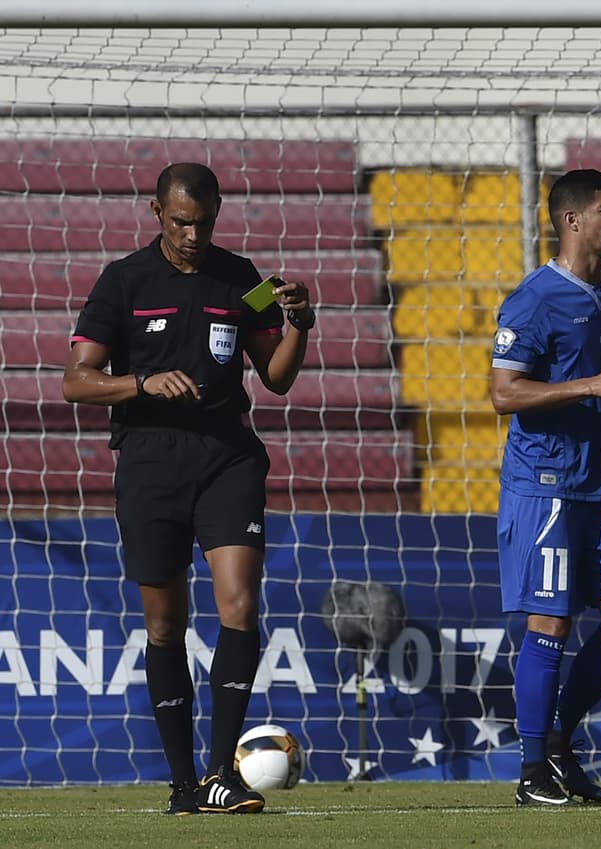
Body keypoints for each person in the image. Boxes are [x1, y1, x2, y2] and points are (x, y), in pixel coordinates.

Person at [62, 163, 316, 815]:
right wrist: (140, 383)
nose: (193, 235)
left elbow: (277, 377)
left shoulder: (241, 279)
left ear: (217, 212)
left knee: (239, 604)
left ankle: (219, 773)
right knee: (164, 624)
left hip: (228, 459)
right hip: (150, 465)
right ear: (156, 212)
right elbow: (76, 380)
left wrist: (299, 325)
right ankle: (182, 785)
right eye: (180, 222)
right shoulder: (124, 281)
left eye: (203, 222)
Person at [490, 168, 601, 807]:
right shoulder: (534, 299)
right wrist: (591, 385)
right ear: (573, 220)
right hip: (548, 484)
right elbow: (504, 393)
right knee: (550, 621)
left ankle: (556, 735)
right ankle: (532, 770)